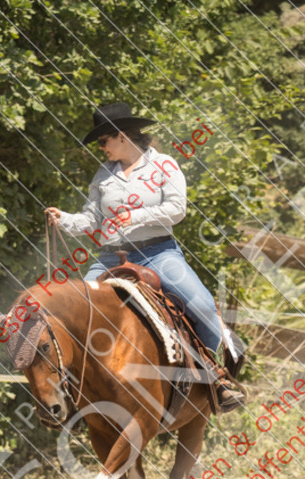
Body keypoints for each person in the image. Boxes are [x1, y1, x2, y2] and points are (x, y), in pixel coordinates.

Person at [44, 102, 245, 412]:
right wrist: (64, 219)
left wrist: (136, 216)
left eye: (103, 141)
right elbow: (91, 219)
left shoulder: (164, 165)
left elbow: (178, 210)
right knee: (71, 312)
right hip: (111, 258)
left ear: (122, 136)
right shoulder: (103, 174)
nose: (102, 148)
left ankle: (214, 375)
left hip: (158, 253)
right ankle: (75, 386)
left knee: (203, 306)